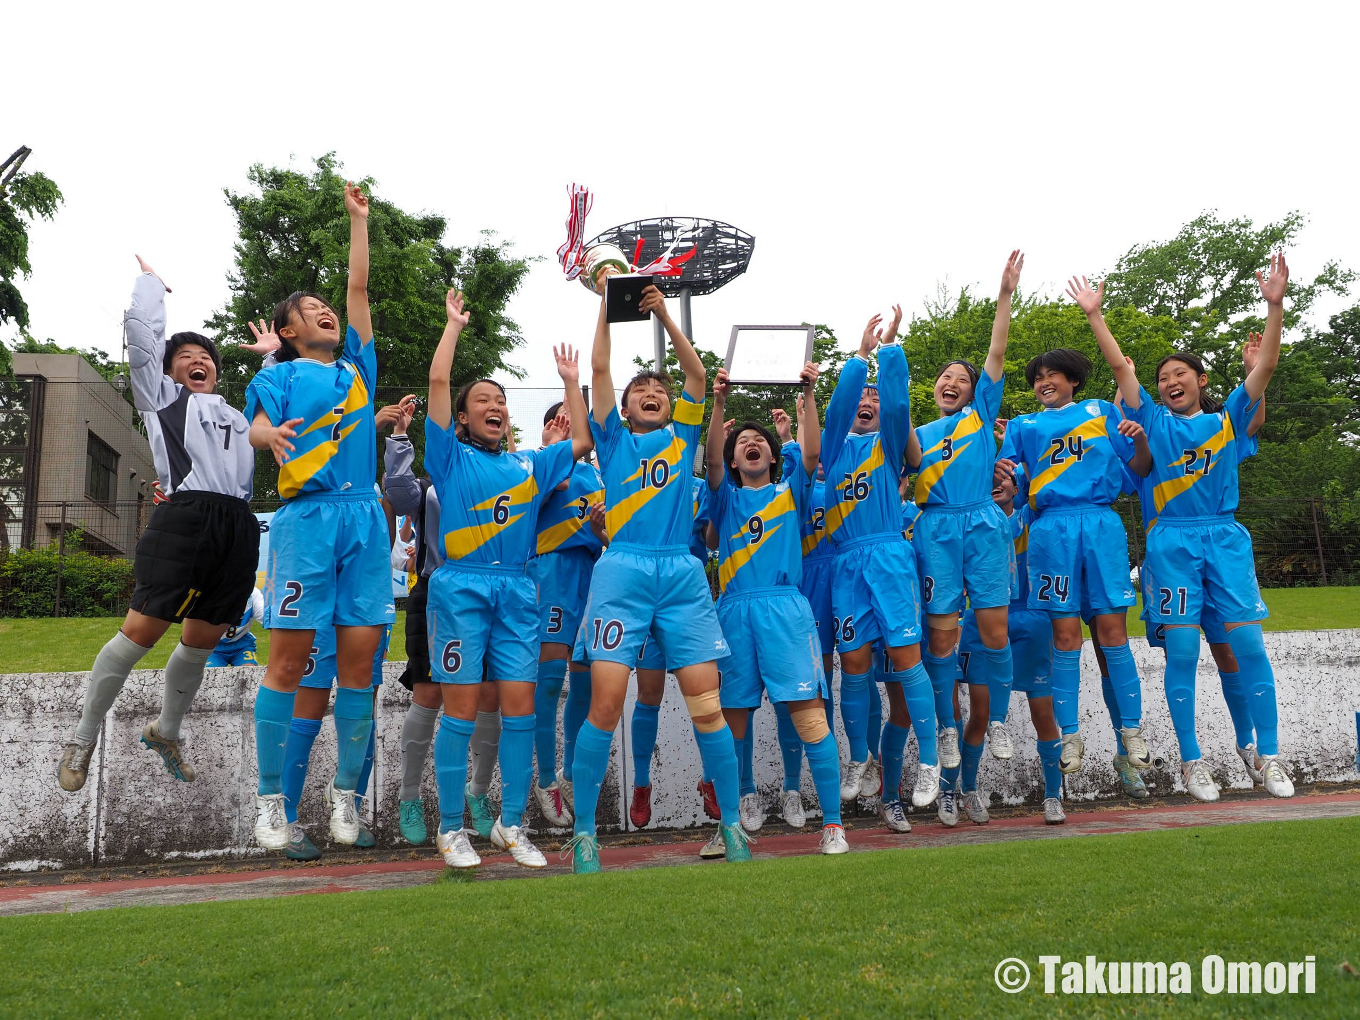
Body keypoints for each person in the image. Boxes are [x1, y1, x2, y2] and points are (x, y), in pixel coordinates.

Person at [1085, 256, 1295, 801]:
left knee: (1247, 645)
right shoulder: (1152, 419)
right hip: (1171, 543)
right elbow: (1121, 372)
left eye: (1179, 374)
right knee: (1181, 654)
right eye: (1162, 378)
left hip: (1223, 539)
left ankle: (1267, 755)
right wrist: (1096, 316)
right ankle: (1192, 761)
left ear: (1201, 381)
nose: (1169, 381)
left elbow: (1266, 368)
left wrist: (1274, 305)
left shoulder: (1227, 419)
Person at [564, 277, 742, 875]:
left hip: (682, 575)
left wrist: (666, 315)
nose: (648, 391)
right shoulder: (611, 441)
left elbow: (696, 376)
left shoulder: (685, 435)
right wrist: (606, 308)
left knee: (708, 709)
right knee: (606, 705)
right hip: (622, 571)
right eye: (639, 388)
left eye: (656, 388)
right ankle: (586, 835)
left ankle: (732, 824)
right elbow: (601, 366)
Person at [60, 257, 258, 792]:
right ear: (169, 371)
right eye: (184, 357)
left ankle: (166, 731)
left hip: (238, 528)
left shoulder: (238, 417)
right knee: (142, 631)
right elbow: (141, 340)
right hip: (186, 520)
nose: (197, 362)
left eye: (205, 358)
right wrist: (152, 289)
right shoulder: (162, 401)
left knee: (201, 641)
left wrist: (276, 357)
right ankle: (83, 733)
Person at [245, 182, 394, 850]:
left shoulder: (358, 364)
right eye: (312, 310)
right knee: (291, 662)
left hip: (364, 518)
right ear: (288, 331)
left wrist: (359, 222)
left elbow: (358, 288)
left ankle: (346, 802)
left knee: (362, 668)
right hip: (305, 520)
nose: (328, 312)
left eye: (328, 307)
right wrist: (269, 439)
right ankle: (271, 804)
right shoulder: (276, 377)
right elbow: (255, 430)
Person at [424, 288, 592, 869]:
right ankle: (450, 829)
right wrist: (452, 329)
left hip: (520, 591)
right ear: (466, 416)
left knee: (521, 707)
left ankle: (512, 823)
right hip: (461, 588)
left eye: (500, 399)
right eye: (483, 400)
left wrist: (571, 382)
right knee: (463, 709)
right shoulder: (448, 458)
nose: (494, 405)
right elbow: (438, 385)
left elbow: (581, 442)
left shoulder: (528, 465)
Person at [995, 326, 1153, 778]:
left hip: (1101, 526)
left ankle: (1132, 732)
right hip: (1050, 532)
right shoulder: (1023, 426)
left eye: (1053, 375)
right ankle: (1070, 735)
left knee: (1112, 634)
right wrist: (1005, 479)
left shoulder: (1102, 411)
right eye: (1037, 378)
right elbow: (1011, 485)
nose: (1044, 382)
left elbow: (1139, 468)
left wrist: (1138, 437)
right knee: (1065, 639)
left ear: (1073, 379)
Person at [706, 365, 849, 854]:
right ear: (733, 455)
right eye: (741, 440)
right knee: (732, 723)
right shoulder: (723, 499)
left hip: (786, 610)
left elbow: (811, 452)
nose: (751, 443)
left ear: (771, 453)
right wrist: (719, 401)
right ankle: (729, 825)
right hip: (735, 613)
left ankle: (832, 824)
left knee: (810, 718)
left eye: (760, 440)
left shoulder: (791, 490)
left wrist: (808, 392)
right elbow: (711, 464)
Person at [905, 253, 1024, 809]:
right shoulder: (915, 433)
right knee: (942, 638)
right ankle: (943, 733)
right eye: (943, 378)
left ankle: (997, 720)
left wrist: (1004, 296)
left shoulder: (978, 417)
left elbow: (996, 351)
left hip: (980, 521)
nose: (950, 381)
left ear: (975, 392)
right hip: (934, 530)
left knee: (994, 630)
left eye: (961, 378)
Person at [819, 308, 941, 815]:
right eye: (860, 398)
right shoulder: (831, 447)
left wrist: (889, 353)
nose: (866, 403)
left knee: (907, 656)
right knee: (853, 664)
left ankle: (931, 760)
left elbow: (895, 403)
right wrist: (860, 357)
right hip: (846, 562)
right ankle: (859, 758)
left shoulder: (889, 448)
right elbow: (837, 406)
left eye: (871, 398)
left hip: (889, 555)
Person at [954, 468, 1066, 824]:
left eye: (1005, 478)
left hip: (1030, 618)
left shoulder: (1030, 515)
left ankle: (1052, 796)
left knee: (1043, 713)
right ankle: (968, 792)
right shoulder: (971, 519)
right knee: (981, 715)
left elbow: (1041, 480)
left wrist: (1014, 443)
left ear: (1020, 488)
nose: (995, 484)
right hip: (982, 619)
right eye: (989, 478)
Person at [531, 402, 605, 829]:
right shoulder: (536, 462)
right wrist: (552, 448)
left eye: (575, 421)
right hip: (552, 570)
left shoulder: (598, 473)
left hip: (593, 575)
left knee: (588, 679)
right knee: (550, 681)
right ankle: (545, 780)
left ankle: (572, 774)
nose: (569, 426)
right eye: (559, 420)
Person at [276, 619, 393, 859]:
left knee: (364, 708)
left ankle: (350, 808)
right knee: (307, 710)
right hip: (321, 608)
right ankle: (286, 819)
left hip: (367, 606)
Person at [208, 587, 266, 667]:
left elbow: (267, 618)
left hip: (242, 644)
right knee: (211, 676)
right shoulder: (207, 591)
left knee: (249, 673)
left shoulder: (253, 594)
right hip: (211, 646)